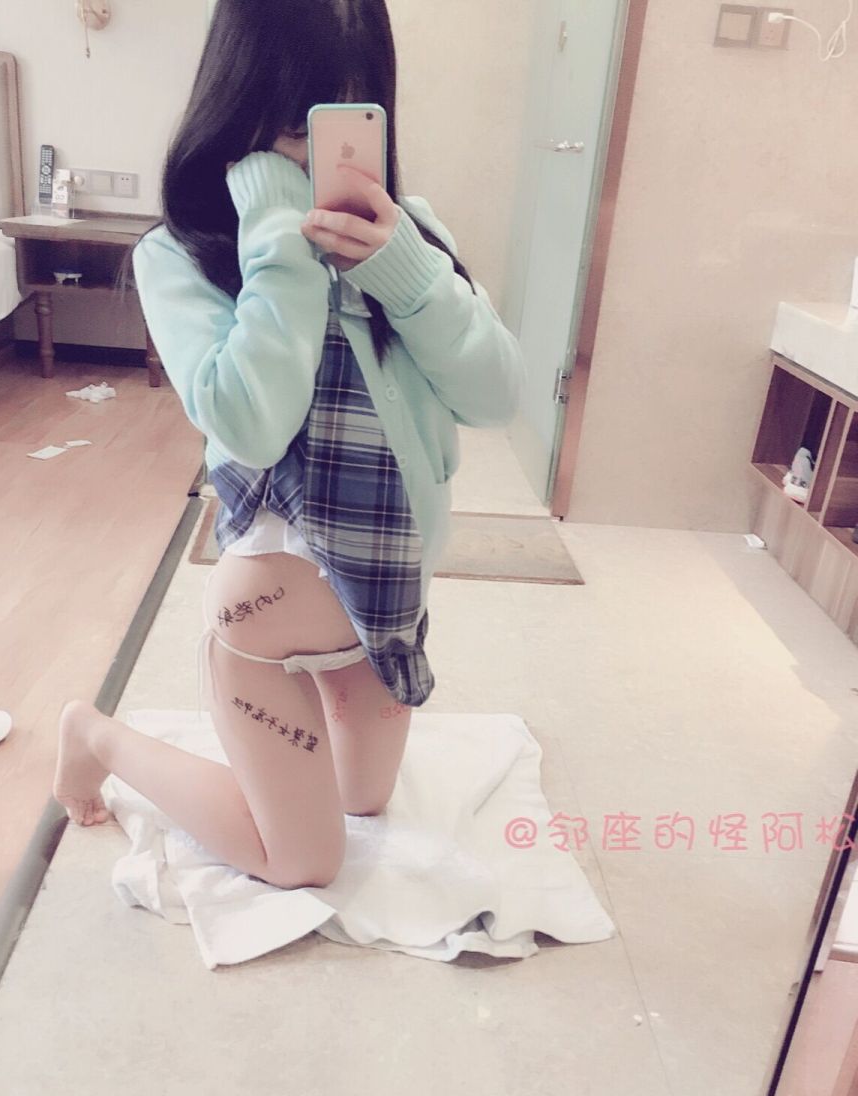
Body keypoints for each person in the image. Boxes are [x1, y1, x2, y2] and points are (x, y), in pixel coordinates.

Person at [52, 0, 526, 891]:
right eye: (286, 120)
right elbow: (251, 423)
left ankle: (287, 736)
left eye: (340, 112)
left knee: (365, 799)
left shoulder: (411, 235)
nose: (308, 152)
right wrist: (278, 247)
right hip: (265, 620)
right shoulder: (182, 255)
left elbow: (496, 396)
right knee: (302, 861)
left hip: (386, 601)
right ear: (235, 106)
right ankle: (96, 737)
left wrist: (402, 271)